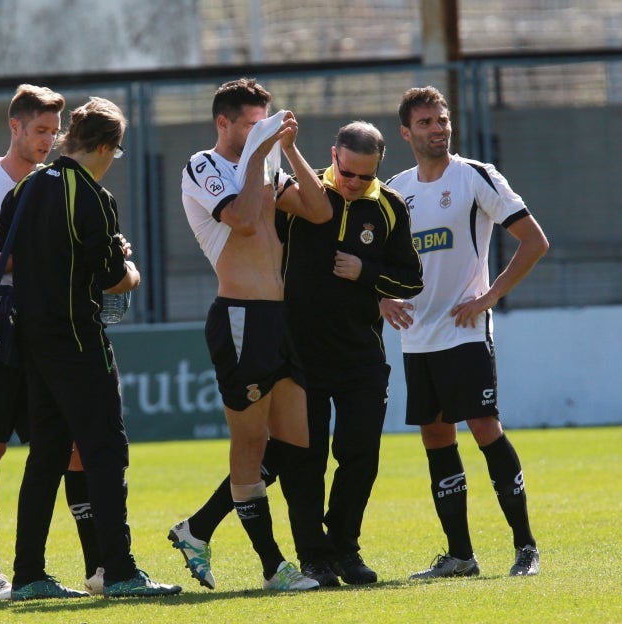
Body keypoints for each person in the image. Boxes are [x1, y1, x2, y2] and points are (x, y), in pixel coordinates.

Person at [171, 121, 423, 589]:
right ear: (333, 157)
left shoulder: (389, 207)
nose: (353, 185)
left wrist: (366, 274)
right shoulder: (297, 199)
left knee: (361, 453)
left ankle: (346, 547)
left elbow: (410, 280)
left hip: (362, 353)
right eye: (346, 174)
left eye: (364, 178)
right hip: (299, 350)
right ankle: (314, 558)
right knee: (302, 459)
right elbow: (255, 246)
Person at [0, 96, 180, 599]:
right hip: (78, 338)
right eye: (115, 152)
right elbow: (110, 278)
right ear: (102, 146)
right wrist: (130, 269)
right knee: (106, 451)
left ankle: (29, 574)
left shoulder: (27, 186)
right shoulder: (93, 196)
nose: (111, 160)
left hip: (32, 340)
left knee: (47, 456)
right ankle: (119, 570)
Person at [382, 86, 548, 579]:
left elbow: (534, 241)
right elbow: (375, 261)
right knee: (435, 436)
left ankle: (525, 547)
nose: (439, 128)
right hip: (417, 337)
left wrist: (487, 298)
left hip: (466, 333)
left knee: (483, 428)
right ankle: (460, 556)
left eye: (443, 119)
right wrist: (380, 298)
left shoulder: (476, 177)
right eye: (427, 122)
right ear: (406, 132)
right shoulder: (395, 189)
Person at [0, 84, 102, 600]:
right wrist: (22, 261)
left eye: (55, 132)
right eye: (40, 131)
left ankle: (97, 566)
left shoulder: (61, 181)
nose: (48, 141)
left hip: (53, 334)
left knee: (74, 450)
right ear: (15, 127)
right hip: (3, 340)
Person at [176, 77, 331, 591]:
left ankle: (197, 528)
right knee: (250, 442)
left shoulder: (265, 164)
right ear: (224, 123)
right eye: (251, 122)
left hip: (278, 319)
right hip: (240, 315)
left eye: (264, 120)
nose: (260, 129)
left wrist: (288, 148)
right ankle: (272, 567)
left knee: (293, 447)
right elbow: (241, 221)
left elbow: (320, 210)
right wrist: (261, 152)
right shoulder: (205, 165)